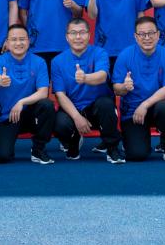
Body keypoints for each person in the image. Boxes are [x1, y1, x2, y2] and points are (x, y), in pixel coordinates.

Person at [112, 15, 165, 163]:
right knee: (137, 155)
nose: (147, 38)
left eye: (151, 33)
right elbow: (116, 89)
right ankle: (133, 141)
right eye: (142, 34)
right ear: (135, 37)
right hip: (133, 112)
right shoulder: (125, 56)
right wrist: (124, 87)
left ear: (158, 35)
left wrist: (144, 105)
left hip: (157, 107)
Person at [51, 17, 121, 163]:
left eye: (82, 32)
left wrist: (85, 78)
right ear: (67, 37)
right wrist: (77, 118)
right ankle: (73, 141)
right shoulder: (57, 61)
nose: (78, 37)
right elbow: (60, 95)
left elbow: (102, 76)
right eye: (73, 33)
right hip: (73, 108)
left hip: (96, 108)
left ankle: (112, 148)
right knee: (58, 123)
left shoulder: (100, 53)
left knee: (106, 104)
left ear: (89, 35)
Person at [0, 23, 56, 164]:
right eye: (14, 39)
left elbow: (43, 92)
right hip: (5, 117)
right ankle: (0, 143)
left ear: (28, 41)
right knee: (2, 157)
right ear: (7, 43)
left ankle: (38, 149)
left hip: (28, 115)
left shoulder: (39, 62)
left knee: (47, 105)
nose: (18, 43)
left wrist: (21, 102)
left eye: (22, 39)